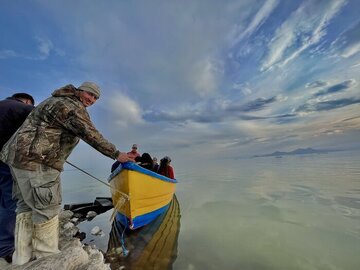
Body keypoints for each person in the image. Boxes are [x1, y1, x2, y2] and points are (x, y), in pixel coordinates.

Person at [0, 82, 133, 265]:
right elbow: (90, 134)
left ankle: (21, 255)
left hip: (17, 160)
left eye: (95, 98)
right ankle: (47, 258)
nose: (91, 100)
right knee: (47, 208)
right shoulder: (71, 106)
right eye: (90, 94)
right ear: (80, 91)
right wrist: (118, 154)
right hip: (38, 163)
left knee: (24, 206)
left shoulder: (55, 100)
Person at [0, 93, 35, 264]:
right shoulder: (23, 108)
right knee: (11, 201)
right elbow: (47, 117)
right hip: (5, 161)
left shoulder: (3, 105)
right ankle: (6, 249)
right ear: (27, 101)